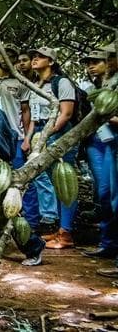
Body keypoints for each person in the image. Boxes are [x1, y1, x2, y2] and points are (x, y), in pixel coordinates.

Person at [0, 45, 45, 264]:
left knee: (15, 188)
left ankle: (31, 235)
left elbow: (26, 111)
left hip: (13, 138)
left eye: (11, 55)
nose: (5, 57)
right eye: (2, 53)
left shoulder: (20, 83)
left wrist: (27, 138)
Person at [28, 47, 79, 249]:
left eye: (40, 57)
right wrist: (31, 138)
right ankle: (60, 230)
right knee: (56, 183)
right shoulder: (36, 84)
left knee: (65, 179)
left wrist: (49, 135)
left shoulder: (62, 82)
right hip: (42, 132)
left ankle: (66, 234)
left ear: (50, 61)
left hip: (59, 133)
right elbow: (33, 114)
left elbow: (66, 113)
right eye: (34, 56)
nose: (35, 59)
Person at [81, 49, 118, 259]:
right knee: (105, 195)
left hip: (113, 140)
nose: (91, 66)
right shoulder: (95, 87)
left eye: (98, 61)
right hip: (102, 142)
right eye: (89, 63)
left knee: (114, 197)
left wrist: (106, 115)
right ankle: (108, 244)